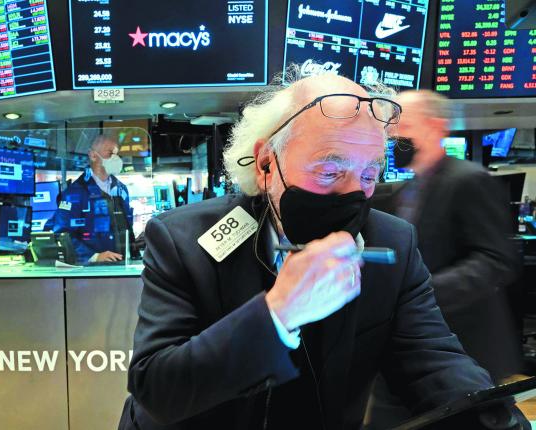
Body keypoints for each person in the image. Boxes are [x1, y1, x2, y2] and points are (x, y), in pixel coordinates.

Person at [118, 72, 528, 429]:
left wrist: (492, 419)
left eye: (369, 173)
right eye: (330, 170)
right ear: (265, 164)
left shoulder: (393, 243)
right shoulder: (183, 239)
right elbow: (158, 387)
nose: (353, 192)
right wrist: (278, 312)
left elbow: (434, 364)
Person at [365, 90, 524, 427]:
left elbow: (494, 260)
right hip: (407, 345)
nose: (394, 133)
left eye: (404, 123)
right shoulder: (403, 190)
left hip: (464, 346)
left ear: (437, 127)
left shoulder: (469, 180)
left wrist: (420, 292)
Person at [53, 134, 135, 264]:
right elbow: (61, 233)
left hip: (121, 263)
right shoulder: (75, 192)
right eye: (110, 153)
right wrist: (93, 256)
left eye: (116, 154)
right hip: (92, 270)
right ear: (93, 155)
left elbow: (124, 227)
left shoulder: (121, 189)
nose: (115, 158)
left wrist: (134, 246)